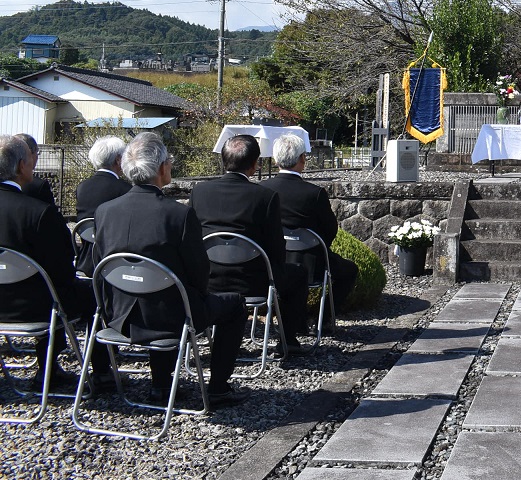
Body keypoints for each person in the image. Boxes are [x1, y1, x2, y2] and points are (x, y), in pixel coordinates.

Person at [93, 133, 247, 406]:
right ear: (162, 167)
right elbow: (200, 274)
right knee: (233, 305)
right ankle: (218, 388)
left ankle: (161, 387)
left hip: (118, 316)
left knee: (159, 289)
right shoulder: (178, 215)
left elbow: (100, 263)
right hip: (171, 317)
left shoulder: (105, 211)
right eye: (170, 161)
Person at [0, 134, 112, 390]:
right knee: (92, 294)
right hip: (34, 307)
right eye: (31, 159)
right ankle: (100, 373)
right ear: (20, 167)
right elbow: (63, 268)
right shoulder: (38, 213)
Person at [190, 135, 309, 355]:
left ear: (223, 160)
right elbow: (275, 247)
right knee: (299, 273)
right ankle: (288, 340)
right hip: (253, 282)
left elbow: (193, 239)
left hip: (208, 280)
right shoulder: (265, 197)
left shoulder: (199, 192)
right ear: (255, 165)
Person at [261, 134, 358, 317]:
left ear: (275, 160)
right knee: (349, 270)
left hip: (272, 262)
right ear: (302, 159)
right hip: (312, 262)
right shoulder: (314, 193)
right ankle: (326, 319)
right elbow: (330, 229)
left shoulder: (262, 189)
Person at [74, 135, 131, 277]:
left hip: (86, 258)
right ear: (118, 160)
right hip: (112, 260)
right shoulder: (124, 189)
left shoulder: (82, 187)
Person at [16, 133, 57, 211]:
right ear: (29, 153)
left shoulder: (3, 182)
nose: (37, 157)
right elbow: (52, 216)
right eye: (37, 152)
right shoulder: (39, 186)